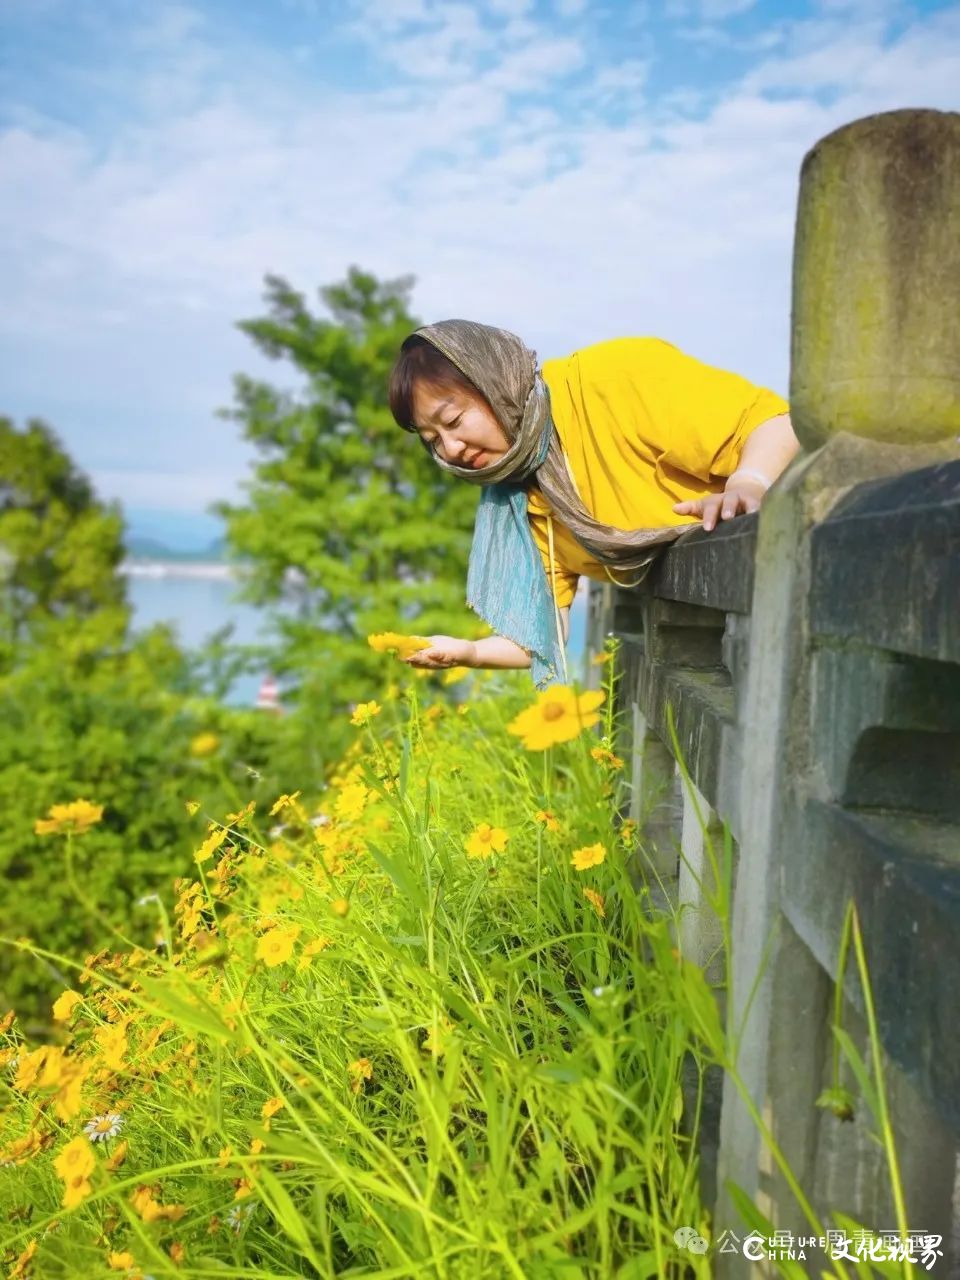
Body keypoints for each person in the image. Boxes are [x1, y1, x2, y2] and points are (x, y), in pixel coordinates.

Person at [388, 320, 799, 687]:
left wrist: (749, 483)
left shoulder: (613, 379)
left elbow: (775, 423)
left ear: (495, 382)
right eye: (432, 440)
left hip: (793, 561)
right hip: (733, 633)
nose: (452, 448)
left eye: (454, 421)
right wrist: (468, 653)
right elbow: (547, 630)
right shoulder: (519, 494)